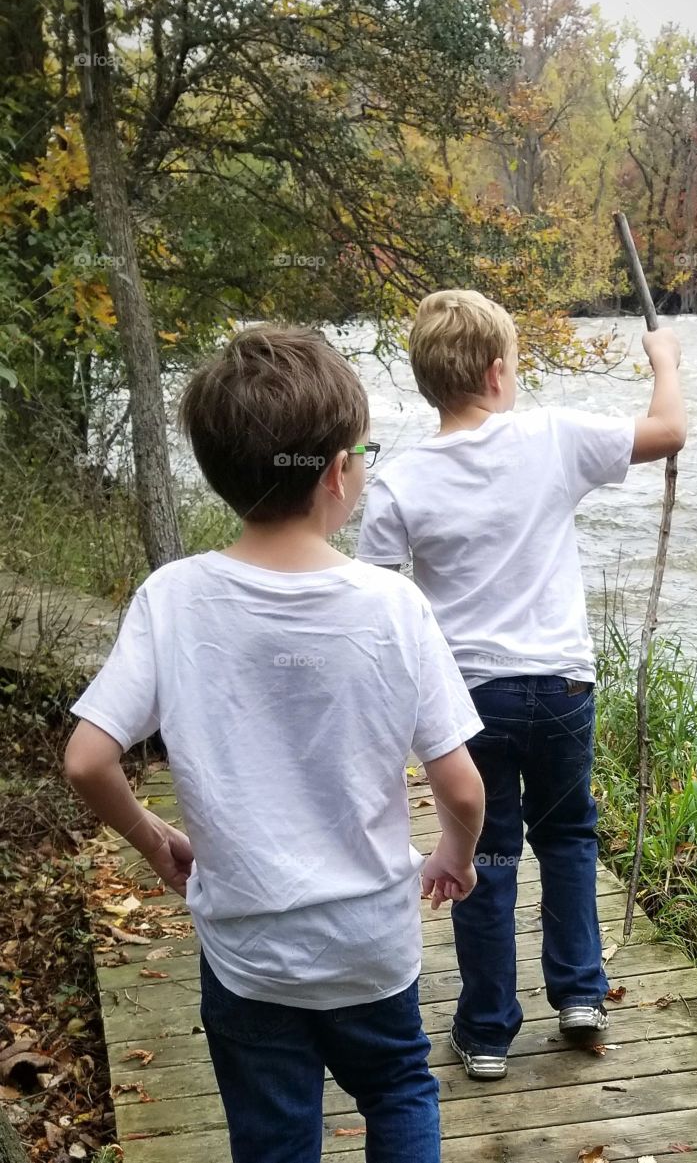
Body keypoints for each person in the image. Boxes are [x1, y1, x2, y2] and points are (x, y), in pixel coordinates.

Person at [64, 325, 486, 1162]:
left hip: (248, 950)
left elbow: (87, 758)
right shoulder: (392, 606)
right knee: (400, 1088)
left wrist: (155, 842)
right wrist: (455, 854)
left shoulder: (173, 599)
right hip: (370, 942)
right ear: (339, 472)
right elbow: (465, 789)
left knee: (273, 1132)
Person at [358, 290, 686, 1080]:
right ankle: (579, 993)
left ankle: (487, 1032)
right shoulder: (554, 436)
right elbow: (669, 429)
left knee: (488, 850)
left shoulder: (398, 480)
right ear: (500, 372)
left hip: (466, 699)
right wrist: (665, 362)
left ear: (427, 381)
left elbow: (375, 601)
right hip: (564, 687)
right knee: (568, 832)